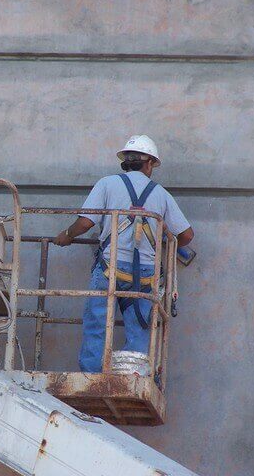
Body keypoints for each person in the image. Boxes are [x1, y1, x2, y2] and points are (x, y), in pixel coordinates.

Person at [54, 135, 194, 372]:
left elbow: (87, 222)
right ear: (149, 163)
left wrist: (66, 235)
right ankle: (134, 373)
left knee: (98, 320)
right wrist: (163, 241)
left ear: (125, 162)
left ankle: (92, 374)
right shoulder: (160, 194)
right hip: (145, 273)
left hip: (111, 266)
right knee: (139, 325)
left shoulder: (107, 184)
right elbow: (187, 236)